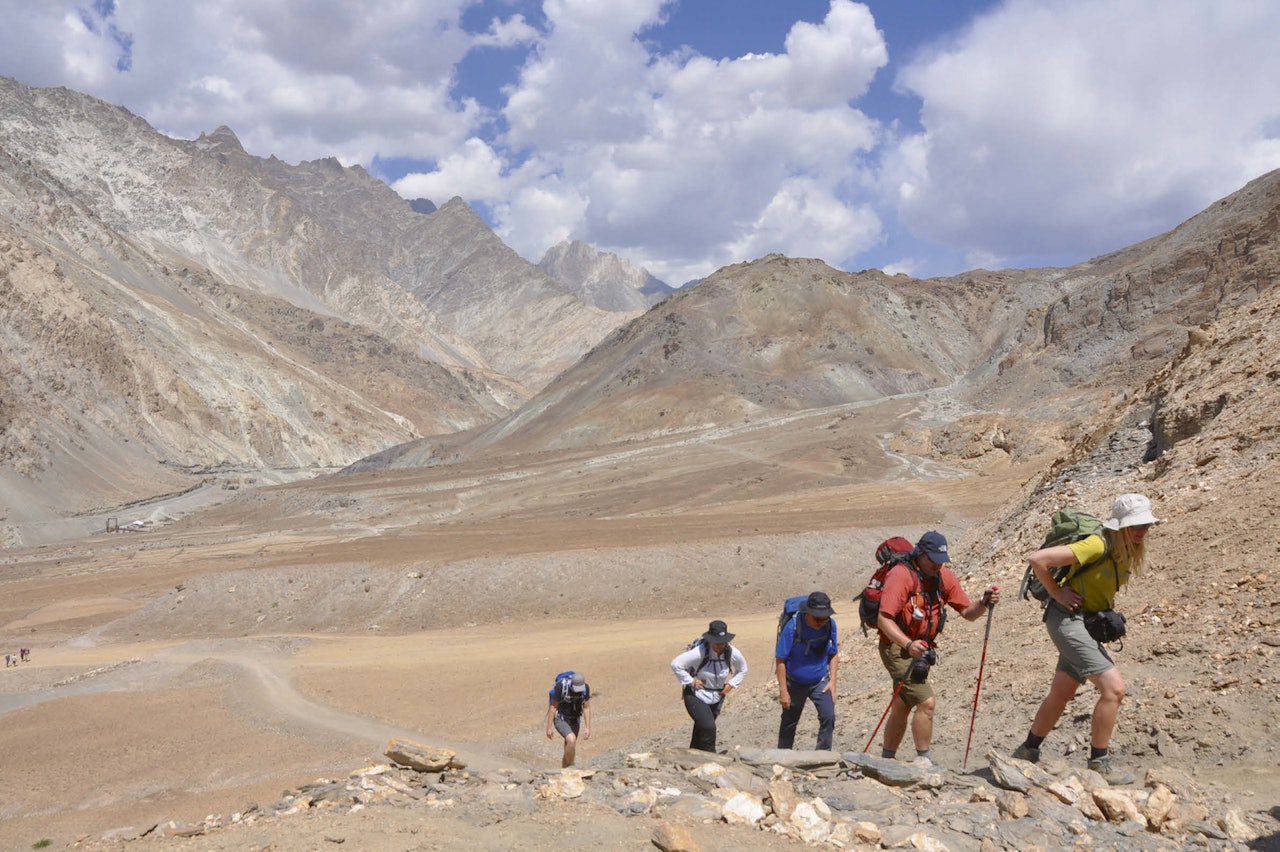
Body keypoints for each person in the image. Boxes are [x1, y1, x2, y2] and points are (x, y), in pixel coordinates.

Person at [1012, 494, 1158, 785]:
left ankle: (1027, 751)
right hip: (1067, 621)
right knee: (1114, 689)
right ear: (1120, 527)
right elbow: (1038, 560)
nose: (1142, 530)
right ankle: (1099, 762)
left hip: (1084, 623)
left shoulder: (1126, 550)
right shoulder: (1097, 544)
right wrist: (1058, 594)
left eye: (1146, 525)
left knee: (1062, 692)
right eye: (1136, 525)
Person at [876, 531, 999, 767]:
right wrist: (908, 644)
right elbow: (884, 619)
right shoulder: (901, 575)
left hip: (921, 650)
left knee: (902, 703)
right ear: (920, 555)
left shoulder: (943, 576)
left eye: (941, 560)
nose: (938, 565)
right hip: (897, 647)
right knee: (926, 703)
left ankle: (887, 759)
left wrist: (983, 603)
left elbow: (968, 613)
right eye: (933, 560)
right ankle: (924, 761)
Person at [671, 620, 748, 752]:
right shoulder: (700, 652)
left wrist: (731, 684)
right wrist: (691, 681)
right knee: (708, 727)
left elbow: (743, 669)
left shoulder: (732, 652)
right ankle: (712, 758)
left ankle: (693, 756)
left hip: (717, 697)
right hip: (696, 695)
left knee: (701, 730)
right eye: (717, 643)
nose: (720, 646)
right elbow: (676, 664)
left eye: (723, 642)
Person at [776, 591, 839, 750]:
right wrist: (783, 691)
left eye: (825, 618)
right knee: (789, 722)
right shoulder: (792, 626)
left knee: (828, 717)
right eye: (818, 618)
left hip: (820, 681)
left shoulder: (830, 625)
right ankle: (783, 756)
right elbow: (780, 659)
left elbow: (833, 653)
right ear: (807, 613)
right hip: (795, 682)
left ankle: (823, 755)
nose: (821, 623)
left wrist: (833, 682)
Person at [545, 671, 591, 767]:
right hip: (561, 718)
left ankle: (565, 770)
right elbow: (553, 707)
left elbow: (586, 707)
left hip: (575, 719)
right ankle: (571, 766)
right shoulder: (561, 687)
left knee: (569, 747)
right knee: (571, 740)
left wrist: (587, 727)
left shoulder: (585, 689)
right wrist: (549, 727)